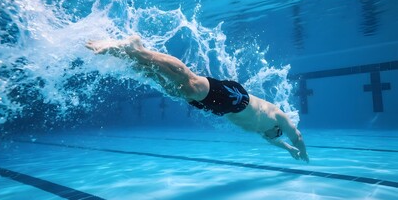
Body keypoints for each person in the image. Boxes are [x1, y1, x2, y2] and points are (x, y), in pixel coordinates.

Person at [86, 35, 309, 162]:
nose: (269, 137)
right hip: (237, 99)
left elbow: (282, 144)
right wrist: (303, 151)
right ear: (277, 130)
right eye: (275, 136)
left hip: (223, 108)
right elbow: (296, 135)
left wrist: (290, 150)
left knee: (175, 89)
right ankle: (139, 50)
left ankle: (126, 55)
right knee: (190, 82)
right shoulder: (277, 117)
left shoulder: (266, 134)